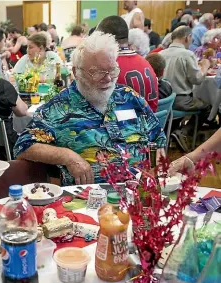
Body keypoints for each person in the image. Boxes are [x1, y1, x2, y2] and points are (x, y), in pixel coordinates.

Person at [14, 31, 166, 185]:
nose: (107, 79)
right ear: (76, 73)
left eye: (112, 70)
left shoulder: (129, 98)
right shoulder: (58, 108)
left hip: (139, 194)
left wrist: (157, 157)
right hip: (88, 200)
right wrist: (67, 156)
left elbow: (157, 138)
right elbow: (23, 146)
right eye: (96, 72)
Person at [160, 26, 211, 152]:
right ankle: (184, 132)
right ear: (187, 38)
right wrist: (205, 66)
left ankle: (175, 132)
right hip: (181, 100)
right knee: (207, 107)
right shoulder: (187, 54)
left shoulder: (161, 54)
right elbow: (197, 79)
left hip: (164, 101)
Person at [97, 16, 159, 112]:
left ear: (104, 39)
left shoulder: (108, 67)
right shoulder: (146, 62)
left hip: (126, 125)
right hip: (151, 122)